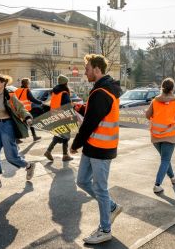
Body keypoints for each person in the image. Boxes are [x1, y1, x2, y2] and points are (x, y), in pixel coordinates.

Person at [69, 54, 123, 244]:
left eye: (87, 68)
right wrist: (80, 108)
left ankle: (105, 229)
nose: (85, 72)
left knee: (100, 189)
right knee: (83, 181)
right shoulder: (100, 90)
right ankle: (111, 206)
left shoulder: (102, 92)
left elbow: (91, 122)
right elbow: (93, 112)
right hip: (93, 146)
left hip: (101, 147)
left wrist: (75, 144)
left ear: (97, 69)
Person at [0, 74, 36, 190]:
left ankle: (29, 166)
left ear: (3, 84)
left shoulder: (10, 96)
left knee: (11, 157)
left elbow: (21, 108)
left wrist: (27, 117)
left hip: (7, 127)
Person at [145, 78, 175, 193]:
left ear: (162, 87)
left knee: (165, 159)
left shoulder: (155, 101)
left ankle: (172, 177)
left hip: (155, 136)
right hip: (169, 136)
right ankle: (157, 185)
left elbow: (147, 115)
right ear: (173, 89)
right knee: (165, 160)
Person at [43, 75, 73, 162]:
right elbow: (67, 106)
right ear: (66, 83)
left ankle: (63, 154)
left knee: (60, 135)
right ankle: (54, 152)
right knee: (65, 135)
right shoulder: (64, 93)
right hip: (63, 117)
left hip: (55, 116)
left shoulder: (55, 92)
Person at [14, 78, 43, 143]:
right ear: (27, 83)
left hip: (18, 109)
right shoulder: (27, 90)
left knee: (26, 122)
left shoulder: (17, 90)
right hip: (25, 110)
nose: (29, 84)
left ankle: (34, 136)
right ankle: (17, 138)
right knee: (28, 122)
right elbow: (32, 99)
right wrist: (40, 102)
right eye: (29, 83)